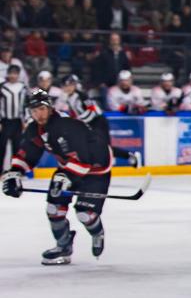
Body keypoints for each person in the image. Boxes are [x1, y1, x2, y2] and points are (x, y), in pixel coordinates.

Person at [1, 89, 114, 265]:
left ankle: (97, 232)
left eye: (42, 108)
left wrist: (66, 177)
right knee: (54, 209)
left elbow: (84, 160)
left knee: (85, 214)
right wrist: (15, 173)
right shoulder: (34, 128)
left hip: (95, 170)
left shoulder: (67, 126)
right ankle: (63, 246)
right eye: (34, 110)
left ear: (50, 108)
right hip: (68, 168)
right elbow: (26, 155)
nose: (38, 114)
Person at [61, 74, 140, 168]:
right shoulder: (70, 98)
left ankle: (130, 156)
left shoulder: (81, 96)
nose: (68, 88)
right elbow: (75, 113)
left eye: (70, 85)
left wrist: (79, 121)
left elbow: (92, 111)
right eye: (65, 86)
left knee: (104, 147)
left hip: (98, 122)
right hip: (89, 124)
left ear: (74, 85)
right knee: (93, 146)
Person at [0, 64, 26, 170]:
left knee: (17, 147)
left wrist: (26, 121)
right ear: (7, 74)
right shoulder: (2, 87)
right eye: (11, 73)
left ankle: (16, 170)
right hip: (5, 121)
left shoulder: (23, 87)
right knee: (1, 147)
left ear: (18, 75)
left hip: (18, 121)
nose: (13, 76)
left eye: (15, 73)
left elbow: (26, 105)